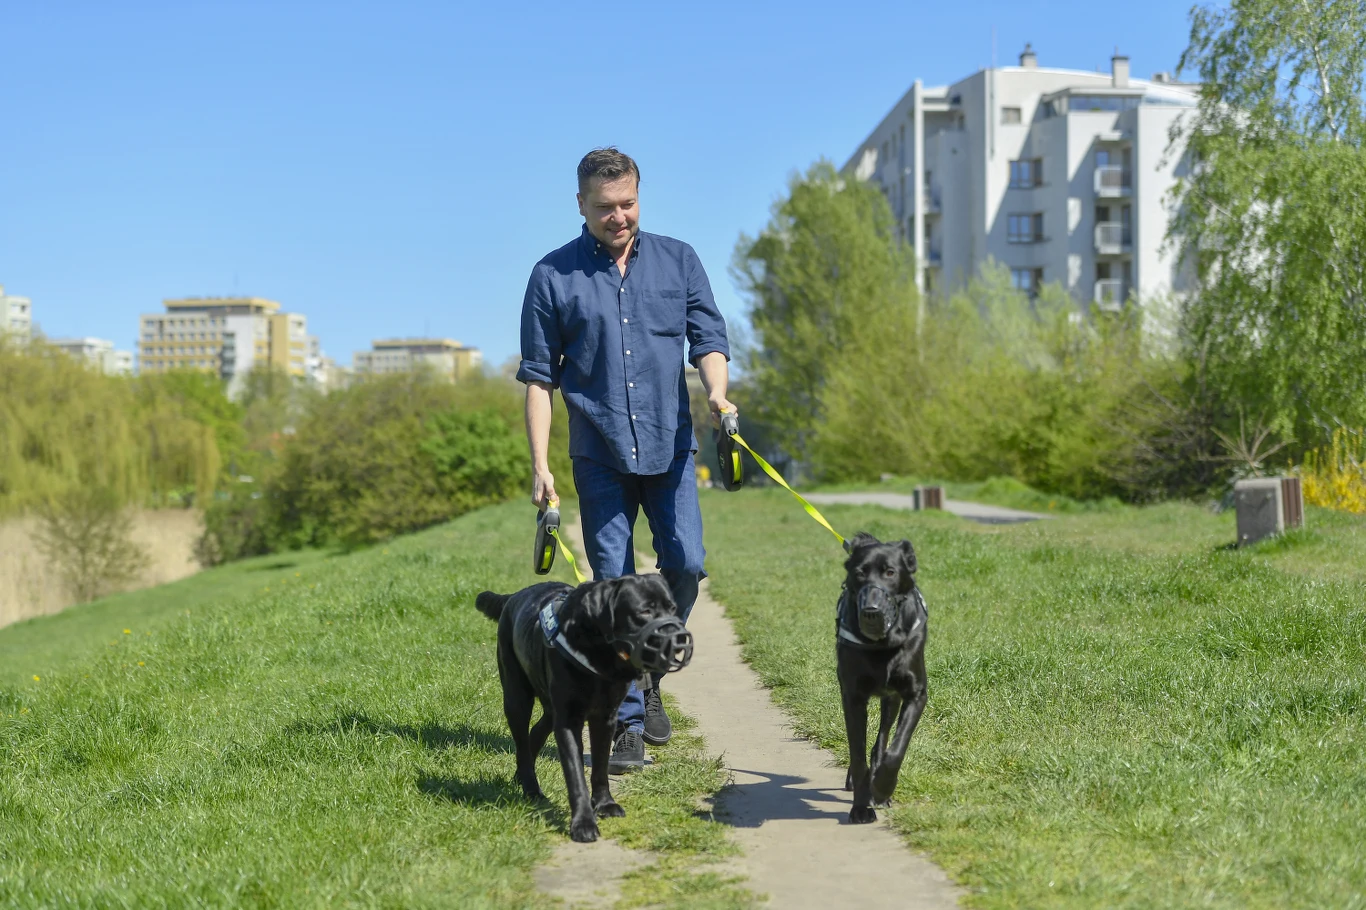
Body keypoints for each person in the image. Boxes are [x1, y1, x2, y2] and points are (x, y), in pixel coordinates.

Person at [516, 147, 733, 773]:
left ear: (640, 196)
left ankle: (649, 665)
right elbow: (537, 378)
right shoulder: (551, 276)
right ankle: (628, 718)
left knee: (686, 564)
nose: (620, 217)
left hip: (671, 445)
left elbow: (709, 338)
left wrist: (717, 393)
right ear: (581, 205)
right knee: (610, 588)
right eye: (606, 207)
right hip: (599, 452)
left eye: (629, 204)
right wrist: (541, 466)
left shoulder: (679, 259)